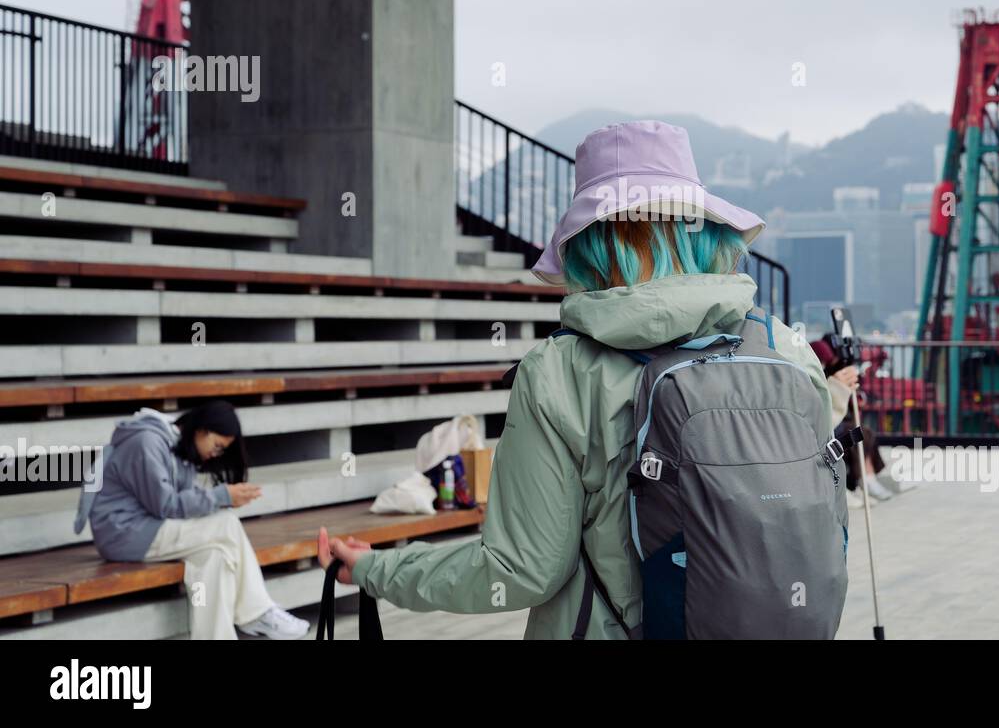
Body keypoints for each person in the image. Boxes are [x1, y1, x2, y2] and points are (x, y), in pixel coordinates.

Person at [319, 119, 836, 639]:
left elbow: (520, 571)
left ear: (589, 241)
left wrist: (375, 570)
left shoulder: (558, 372)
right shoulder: (786, 347)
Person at [78, 399, 309, 640]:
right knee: (226, 523)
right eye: (218, 446)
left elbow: (182, 506)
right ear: (202, 430)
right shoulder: (147, 442)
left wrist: (220, 498)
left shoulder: (179, 449)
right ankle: (257, 612)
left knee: (215, 556)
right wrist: (221, 496)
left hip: (147, 528)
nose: (215, 454)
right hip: (124, 533)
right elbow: (165, 505)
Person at [810, 335, 910, 505]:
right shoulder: (816, 374)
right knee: (856, 435)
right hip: (824, 430)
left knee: (863, 433)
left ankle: (866, 479)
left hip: (832, 423)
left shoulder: (825, 372)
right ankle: (864, 481)